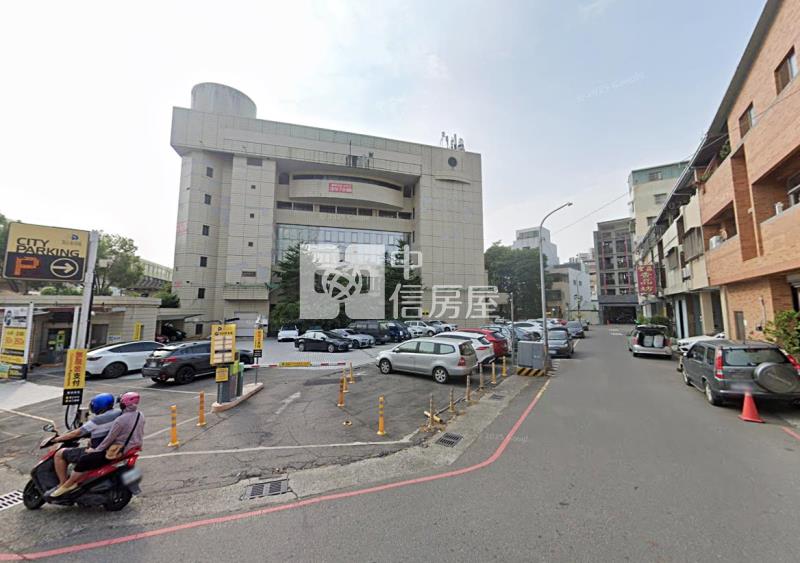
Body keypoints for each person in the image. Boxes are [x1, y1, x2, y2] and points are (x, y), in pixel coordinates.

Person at [51, 392, 145, 497]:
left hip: (113, 450)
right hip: (132, 448)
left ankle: (65, 484)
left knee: (62, 454)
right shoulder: (136, 414)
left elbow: (109, 438)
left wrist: (56, 439)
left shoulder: (109, 420)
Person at [52, 393, 120, 486]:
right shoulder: (118, 413)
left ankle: (63, 484)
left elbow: (76, 433)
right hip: (111, 448)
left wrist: (56, 439)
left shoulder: (97, 420)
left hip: (97, 452)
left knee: (59, 454)